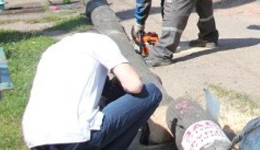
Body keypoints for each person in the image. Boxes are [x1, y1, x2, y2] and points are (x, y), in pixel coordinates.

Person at [22, 32, 162, 150]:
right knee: (151, 92)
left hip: (35, 139)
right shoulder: (102, 41)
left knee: (110, 89)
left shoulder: (53, 51)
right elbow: (134, 85)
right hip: (74, 137)